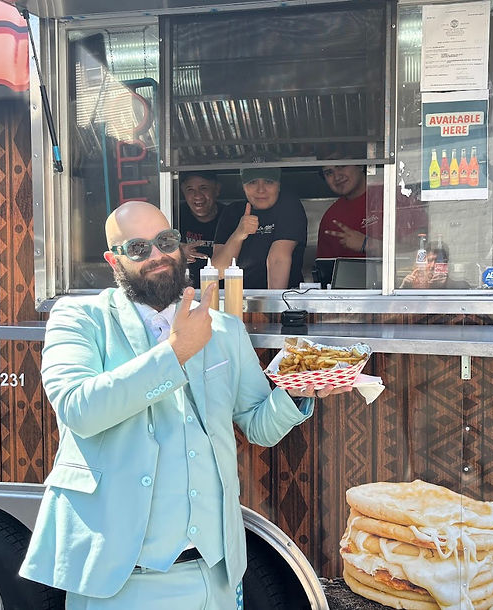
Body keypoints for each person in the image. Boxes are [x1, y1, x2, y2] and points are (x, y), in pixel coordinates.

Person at [19, 200, 350, 609]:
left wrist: (300, 389)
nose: (157, 256)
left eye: (165, 241)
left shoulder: (224, 327)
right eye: (139, 249)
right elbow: (78, 410)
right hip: (122, 578)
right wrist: (175, 352)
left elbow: (257, 424)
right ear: (113, 260)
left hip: (214, 573)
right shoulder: (80, 317)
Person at [212, 167, 307, 289]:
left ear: (279, 185)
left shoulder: (288, 205)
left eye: (268, 181)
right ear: (243, 186)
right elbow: (217, 271)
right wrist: (238, 235)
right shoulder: (232, 212)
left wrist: (274, 304)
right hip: (236, 301)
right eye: (252, 182)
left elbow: (278, 259)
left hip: (279, 300)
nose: (261, 190)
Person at [316, 163, 426, 259]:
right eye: (329, 172)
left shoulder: (396, 198)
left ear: (359, 165)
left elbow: (419, 250)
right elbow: (326, 270)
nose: (337, 177)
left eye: (342, 166)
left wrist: (367, 244)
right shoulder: (330, 218)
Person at [179, 170, 221, 287]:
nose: (197, 196)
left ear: (217, 189)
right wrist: (178, 252)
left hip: (226, 291)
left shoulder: (230, 216)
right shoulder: (175, 215)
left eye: (203, 188)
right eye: (190, 190)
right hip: (186, 292)